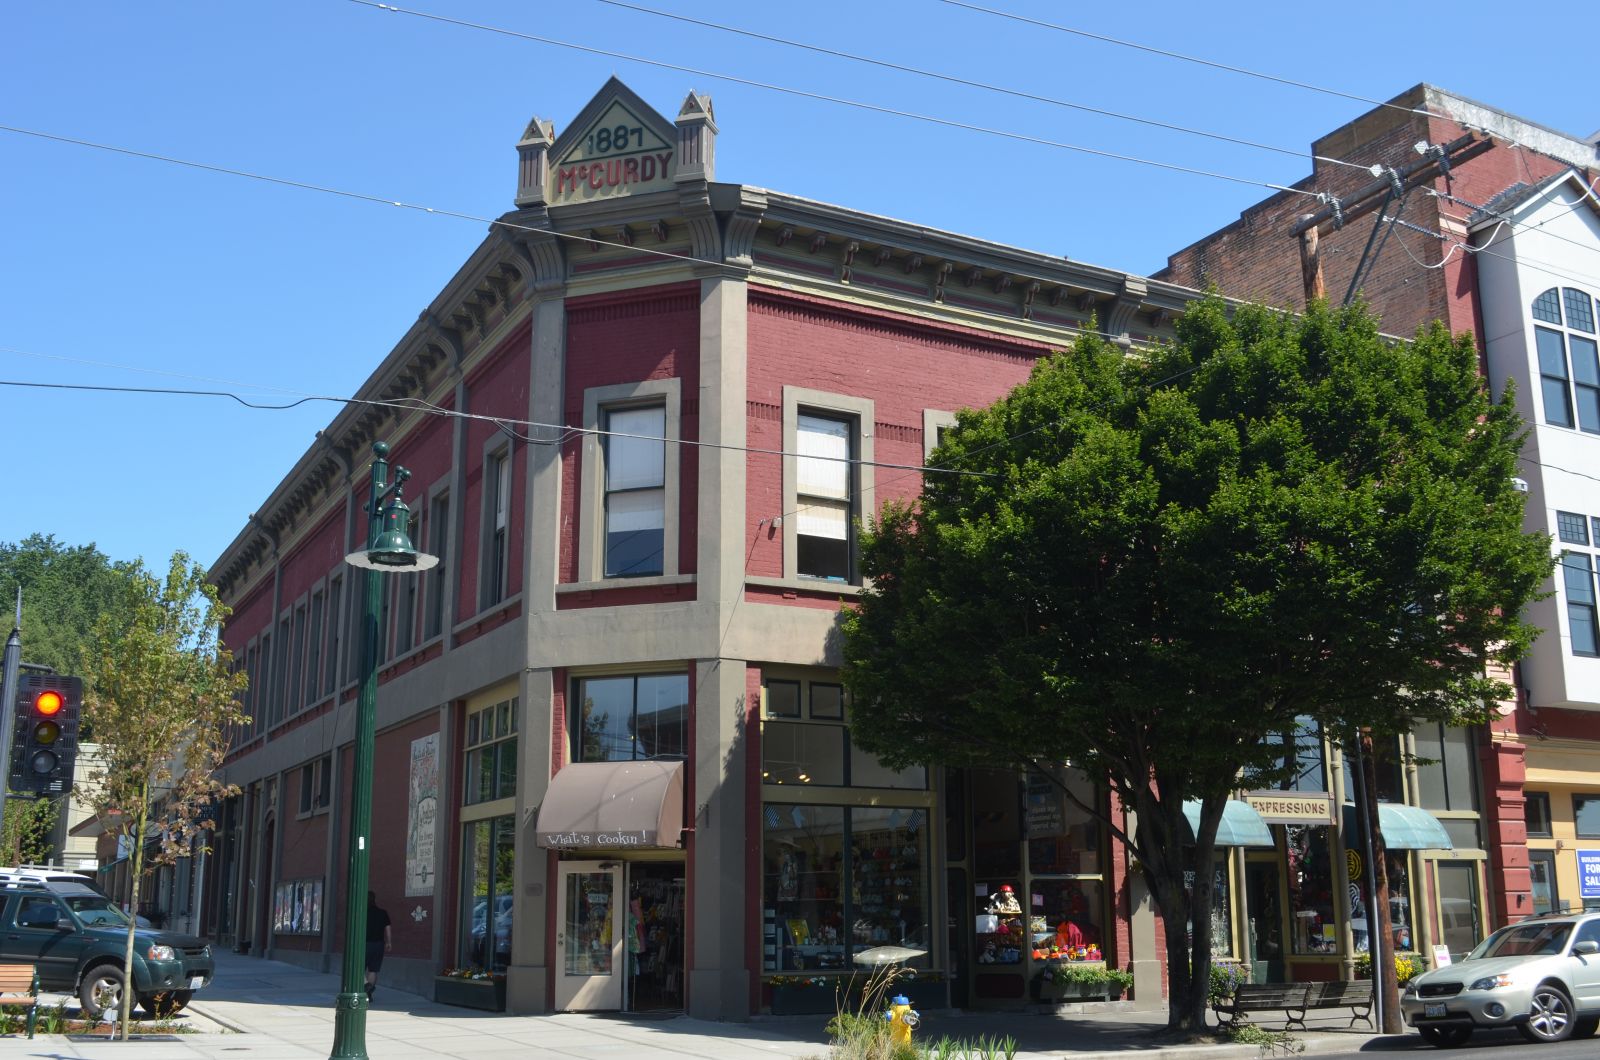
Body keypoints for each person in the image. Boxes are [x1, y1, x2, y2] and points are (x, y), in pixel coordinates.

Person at [365, 891, 393, 1001]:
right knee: (373, 970)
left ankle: (366, 985)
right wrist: (389, 942)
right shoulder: (382, 913)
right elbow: (388, 929)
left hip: (364, 944)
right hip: (378, 944)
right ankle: (369, 992)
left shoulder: (362, 912)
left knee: (358, 968)